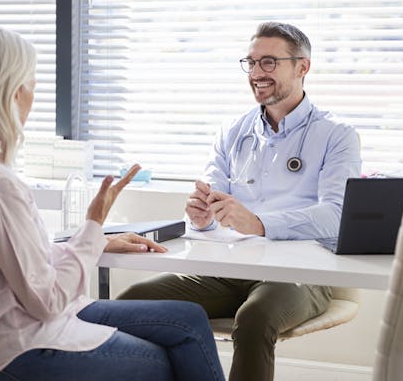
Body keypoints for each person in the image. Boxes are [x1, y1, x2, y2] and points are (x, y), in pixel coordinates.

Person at [0, 26, 225, 381]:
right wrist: (94, 223)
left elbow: (6, 260)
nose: (32, 96)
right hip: (23, 345)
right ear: (12, 92)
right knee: (164, 361)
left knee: (189, 320)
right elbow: (47, 300)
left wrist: (96, 242)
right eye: (31, 84)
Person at [118, 22, 362, 381]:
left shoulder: (336, 135)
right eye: (250, 63)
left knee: (254, 320)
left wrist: (261, 224)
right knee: (130, 304)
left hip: (301, 275)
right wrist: (202, 216)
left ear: (302, 67)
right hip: (229, 271)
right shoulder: (232, 131)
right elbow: (212, 208)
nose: (256, 73)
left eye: (268, 62)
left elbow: (338, 216)